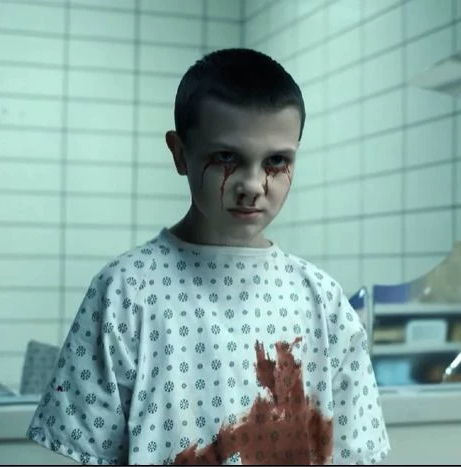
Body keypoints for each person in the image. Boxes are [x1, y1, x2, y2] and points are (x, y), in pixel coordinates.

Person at [27, 48, 390, 465]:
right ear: (181, 153)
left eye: (276, 161)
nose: (253, 184)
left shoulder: (323, 302)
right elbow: (86, 447)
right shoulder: (125, 293)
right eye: (226, 157)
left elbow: (356, 452)